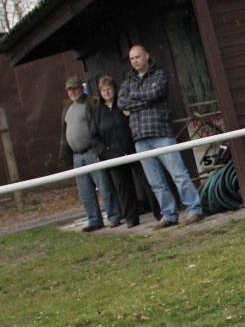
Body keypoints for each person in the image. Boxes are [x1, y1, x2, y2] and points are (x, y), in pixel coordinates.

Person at [117, 44, 203, 229]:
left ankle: (194, 209)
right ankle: (168, 214)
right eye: (132, 59)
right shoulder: (127, 81)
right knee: (155, 182)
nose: (135, 61)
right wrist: (144, 101)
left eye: (137, 57)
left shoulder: (160, 75)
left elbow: (156, 93)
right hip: (140, 138)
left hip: (161, 133)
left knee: (178, 174)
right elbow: (121, 101)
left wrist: (133, 104)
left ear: (146, 56)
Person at [60, 76, 120, 232]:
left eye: (74, 88)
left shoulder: (92, 103)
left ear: (81, 87)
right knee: (85, 191)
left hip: (91, 151)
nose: (72, 92)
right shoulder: (67, 108)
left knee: (104, 186)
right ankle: (94, 220)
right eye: (69, 90)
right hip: (76, 154)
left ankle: (114, 216)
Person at [90, 74, 141, 228]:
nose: (106, 92)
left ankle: (159, 212)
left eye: (109, 89)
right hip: (113, 156)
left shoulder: (123, 105)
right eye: (103, 90)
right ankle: (131, 218)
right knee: (123, 189)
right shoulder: (97, 113)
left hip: (132, 149)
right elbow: (94, 136)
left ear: (114, 89)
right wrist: (105, 152)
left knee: (146, 181)